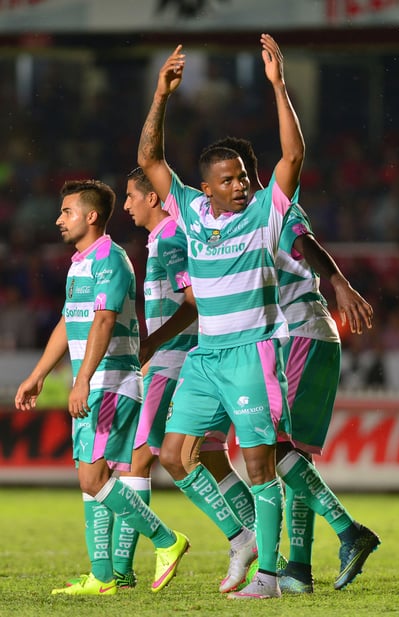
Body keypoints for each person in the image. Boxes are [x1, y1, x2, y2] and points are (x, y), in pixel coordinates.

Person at [138, 34, 305, 600]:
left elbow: (292, 158)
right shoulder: (188, 210)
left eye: (242, 177)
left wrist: (279, 86)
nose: (240, 185)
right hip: (207, 357)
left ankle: (270, 579)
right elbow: (149, 161)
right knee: (173, 455)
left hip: (253, 353)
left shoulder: (263, 214)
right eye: (229, 179)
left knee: (258, 465)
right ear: (206, 187)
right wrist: (161, 94)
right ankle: (240, 537)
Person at [211, 135, 381, 592]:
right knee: (294, 456)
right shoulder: (241, 224)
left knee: (272, 446)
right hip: (306, 335)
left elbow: (303, 241)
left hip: (302, 332)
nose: (234, 187)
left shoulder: (272, 206)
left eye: (237, 176)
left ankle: (349, 532)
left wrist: (338, 279)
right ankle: (300, 571)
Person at [14, 179, 189, 596]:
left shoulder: (111, 259)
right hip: (96, 382)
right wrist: (38, 374)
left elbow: (104, 320)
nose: (59, 219)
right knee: (91, 479)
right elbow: (68, 321)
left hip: (110, 382)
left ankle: (167, 540)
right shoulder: (80, 262)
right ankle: (103, 576)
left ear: (91, 217)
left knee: (94, 478)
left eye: (67, 211)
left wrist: (83, 380)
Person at [109, 166, 257, 585]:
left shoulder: (173, 238)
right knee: (210, 457)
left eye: (131, 195)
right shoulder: (164, 238)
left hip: (176, 359)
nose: (126, 204)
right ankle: (264, 545)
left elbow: (192, 303)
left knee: (139, 458)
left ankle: (123, 570)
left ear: (153, 198)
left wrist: (152, 344)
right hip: (190, 358)